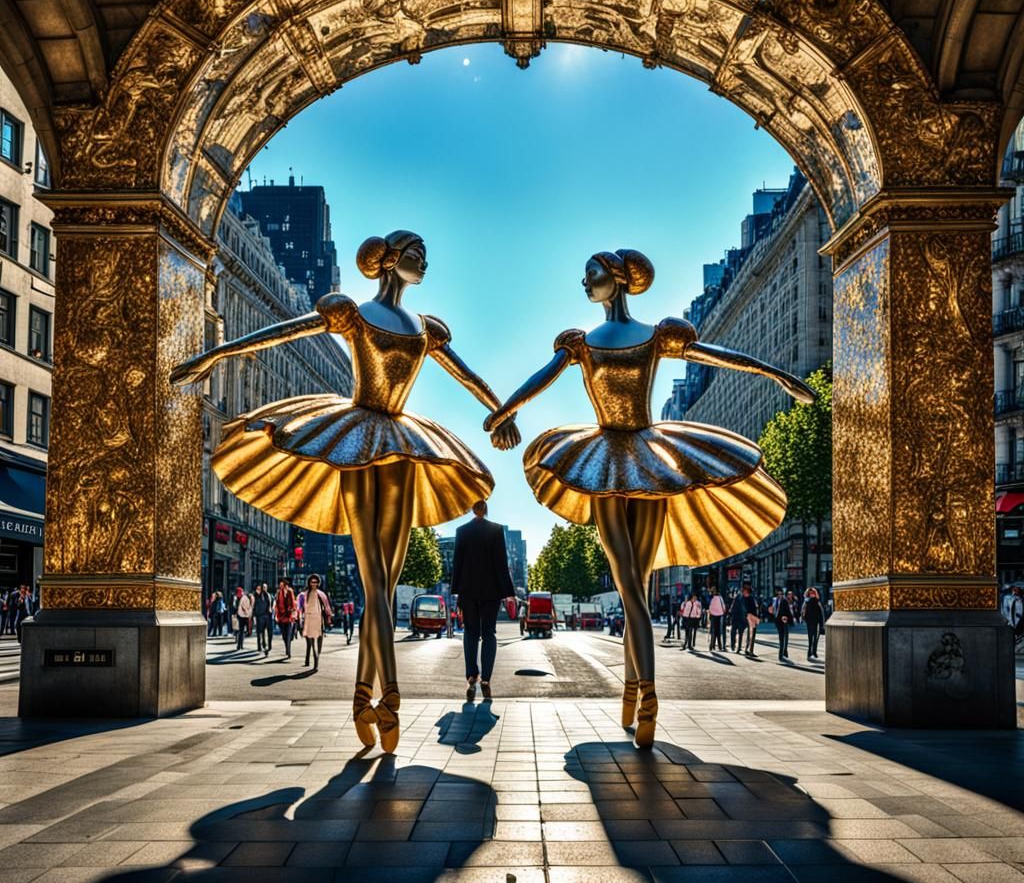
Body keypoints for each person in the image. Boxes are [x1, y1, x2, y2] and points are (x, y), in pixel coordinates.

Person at [172, 230, 519, 753]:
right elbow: (283, 333)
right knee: (374, 581)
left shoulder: (425, 329)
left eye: (426, 256)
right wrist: (215, 355)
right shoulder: (352, 313)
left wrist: (501, 410)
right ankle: (390, 697)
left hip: (402, 445)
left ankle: (363, 694)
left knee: (382, 582)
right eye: (416, 256)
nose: (424, 264)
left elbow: (466, 375)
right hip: (356, 440)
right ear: (390, 261)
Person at [485, 248, 812, 747]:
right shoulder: (584, 343)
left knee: (633, 585)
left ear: (614, 281)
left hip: (641, 458)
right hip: (612, 459)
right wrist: (503, 411)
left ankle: (643, 692)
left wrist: (775, 374)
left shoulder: (650, 336)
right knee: (632, 584)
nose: (583, 281)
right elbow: (541, 379)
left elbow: (715, 355)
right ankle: (641, 692)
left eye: (590, 274)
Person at [451, 500, 515, 700]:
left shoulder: (462, 531)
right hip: (491, 592)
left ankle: (471, 677)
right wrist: (508, 592)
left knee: (470, 633)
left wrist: (457, 592)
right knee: (489, 633)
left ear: (472, 509)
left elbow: (458, 564)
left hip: (468, 591)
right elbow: (500, 563)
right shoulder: (496, 530)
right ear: (486, 510)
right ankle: (486, 680)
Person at [298, 573, 332, 671]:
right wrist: (300, 619)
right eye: (312, 582)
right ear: (309, 582)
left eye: (316, 582)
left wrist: (329, 618)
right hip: (309, 619)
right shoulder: (304, 595)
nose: (314, 584)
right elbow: (300, 608)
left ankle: (317, 656)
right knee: (312, 641)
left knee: (319, 640)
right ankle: (315, 659)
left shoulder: (321, 594)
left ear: (318, 583)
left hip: (318, 619)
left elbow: (327, 607)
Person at [274, 579, 296, 658]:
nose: (281, 587)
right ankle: (287, 648)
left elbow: (293, 603)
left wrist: (292, 611)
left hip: (289, 616)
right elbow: (276, 604)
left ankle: (288, 651)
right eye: (280, 585)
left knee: (289, 634)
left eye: (282, 585)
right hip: (281, 617)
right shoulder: (279, 593)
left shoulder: (290, 591)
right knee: (284, 635)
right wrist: (276, 615)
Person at [769, 587, 793, 661]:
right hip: (777, 621)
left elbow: (788, 611)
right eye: (778, 593)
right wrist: (770, 612)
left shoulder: (784, 601)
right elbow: (772, 608)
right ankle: (784, 653)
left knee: (782, 638)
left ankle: (781, 655)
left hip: (783, 621)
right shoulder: (774, 600)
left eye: (781, 593)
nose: (779, 595)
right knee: (782, 638)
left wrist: (790, 621)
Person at [802, 586, 825, 660]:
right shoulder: (806, 602)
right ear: (808, 594)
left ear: (815, 594)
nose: (812, 594)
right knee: (810, 638)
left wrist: (821, 625)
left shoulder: (817, 602)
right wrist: (806, 620)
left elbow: (821, 615)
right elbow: (803, 613)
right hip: (810, 623)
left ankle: (814, 652)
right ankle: (810, 652)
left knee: (815, 638)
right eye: (810, 593)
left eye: (813, 593)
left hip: (816, 623)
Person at [739, 583, 760, 658]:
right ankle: (749, 650)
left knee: (750, 634)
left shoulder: (747, 598)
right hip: (750, 617)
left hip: (750, 617)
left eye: (744, 591)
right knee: (751, 634)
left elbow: (754, 608)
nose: (743, 592)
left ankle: (748, 649)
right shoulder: (748, 598)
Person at [253, 583, 273, 655]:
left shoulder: (268, 595)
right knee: (259, 632)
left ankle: (267, 645)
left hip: (267, 615)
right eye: (263, 587)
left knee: (268, 631)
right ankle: (259, 646)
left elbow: (271, 604)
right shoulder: (257, 595)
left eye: (265, 587)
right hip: (260, 616)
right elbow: (254, 605)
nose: (264, 588)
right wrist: (255, 615)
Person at [706, 586, 726, 651]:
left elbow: (709, 607)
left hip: (713, 615)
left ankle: (712, 645)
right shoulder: (720, 598)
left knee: (713, 631)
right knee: (718, 631)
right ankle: (719, 646)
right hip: (720, 615)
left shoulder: (711, 598)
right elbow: (723, 607)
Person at [234, 586, 252, 651]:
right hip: (242, 616)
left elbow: (246, 607)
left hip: (244, 616)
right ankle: (240, 645)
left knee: (242, 631)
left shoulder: (243, 598)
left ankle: (240, 645)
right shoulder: (238, 598)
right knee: (241, 631)